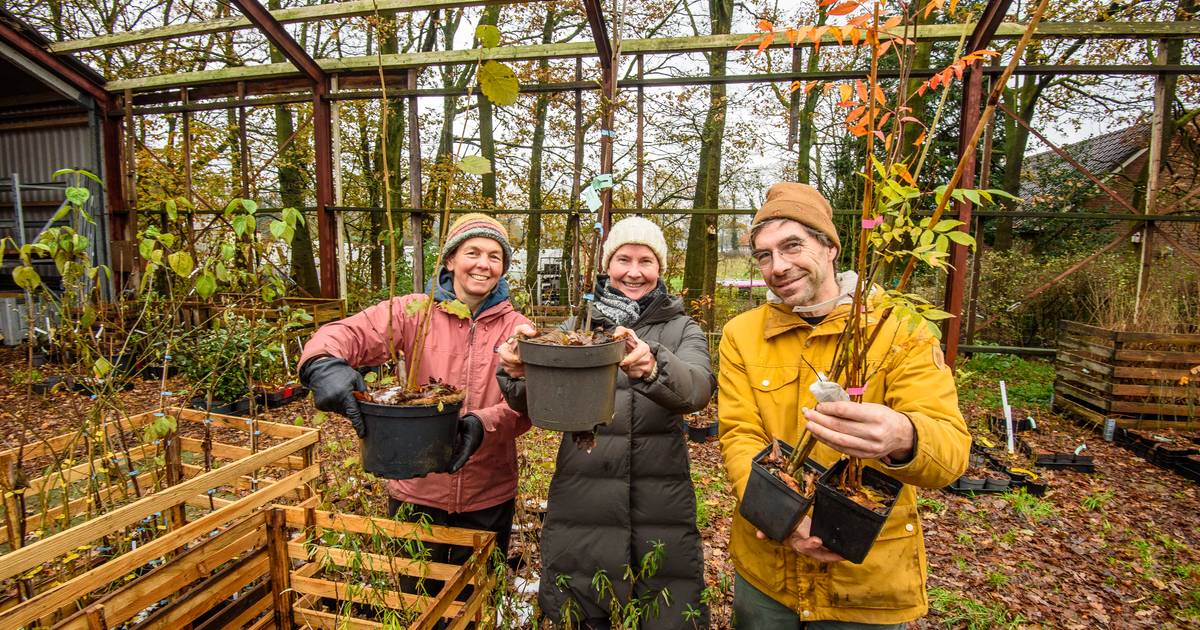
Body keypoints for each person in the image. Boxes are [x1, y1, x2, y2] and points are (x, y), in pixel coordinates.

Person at [717, 183, 971, 628]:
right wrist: (781, 514)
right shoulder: (743, 334)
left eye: (792, 245)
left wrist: (903, 437)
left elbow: (949, 454)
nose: (778, 266)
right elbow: (740, 436)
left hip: (864, 581)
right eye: (764, 255)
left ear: (830, 246)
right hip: (766, 574)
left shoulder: (899, 328)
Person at [497, 217, 716, 629]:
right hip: (585, 493)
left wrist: (653, 364)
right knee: (582, 609)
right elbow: (535, 399)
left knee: (663, 611)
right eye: (623, 259)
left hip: (660, 497)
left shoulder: (681, 327)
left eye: (646, 260)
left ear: (660, 268)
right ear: (607, 266)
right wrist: (517, 372)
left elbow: (698, 389)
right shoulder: (579, 327)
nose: (634, 271)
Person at [298, 213, 532, 565]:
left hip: (488, 493)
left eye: (494, 256)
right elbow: (349, 333)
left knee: (478, 598)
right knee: (416, 593)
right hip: (416, 486)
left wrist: (482, 425)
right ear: (450, 260)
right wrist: (322, 363)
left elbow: (527, 404)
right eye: (473, 252)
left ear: (503, 268)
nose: (483, 264)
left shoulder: (518, 329)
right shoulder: (413, 312)